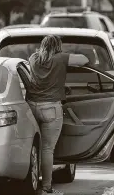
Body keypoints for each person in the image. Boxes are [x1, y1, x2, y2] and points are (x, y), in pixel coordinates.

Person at [26, 35, 89, 195]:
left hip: (31, 108)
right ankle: (46, 186)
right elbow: (83, 60)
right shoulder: (60, 58)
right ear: (58, 46)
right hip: (51, 109)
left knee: (32, 147)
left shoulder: (33, 58)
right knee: (47, 149)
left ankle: (31, 181)